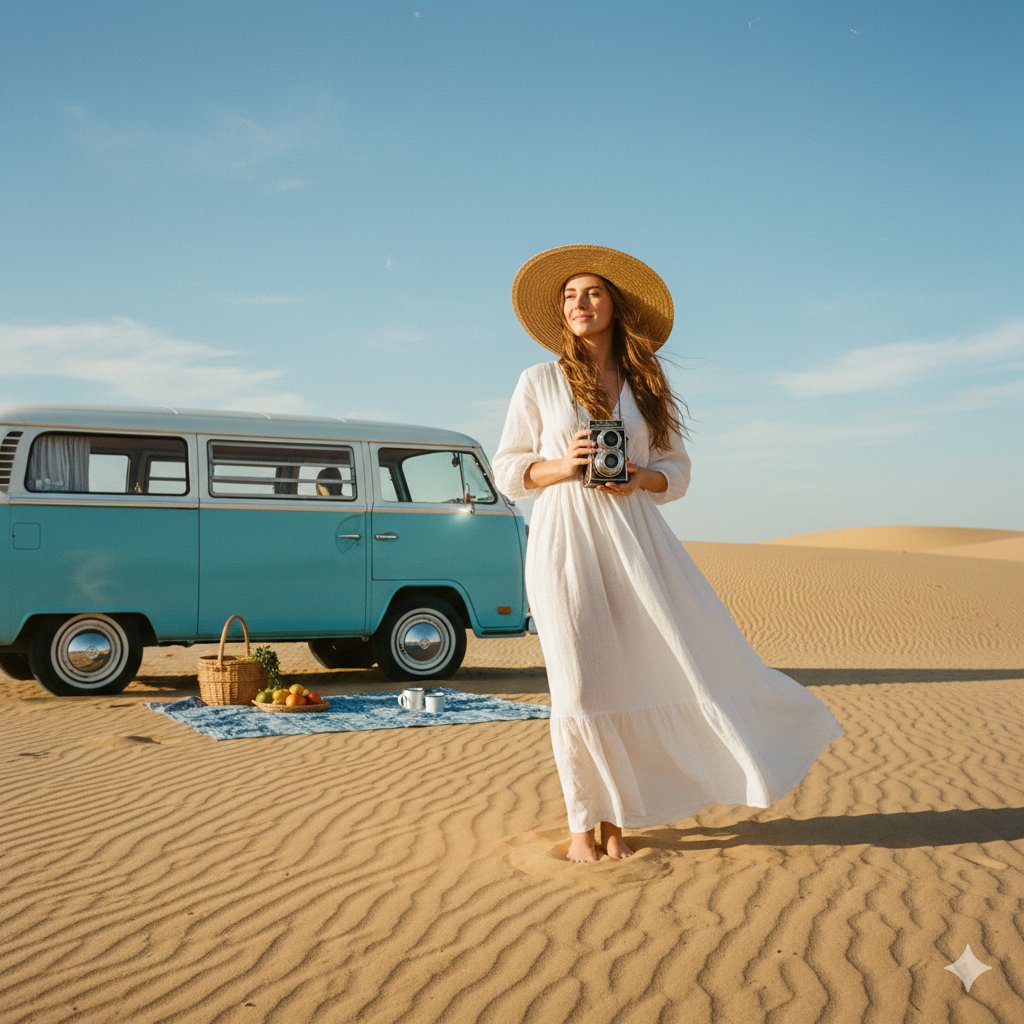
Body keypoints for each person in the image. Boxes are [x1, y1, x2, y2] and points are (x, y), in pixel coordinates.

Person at [492, 244, 843, 864]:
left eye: (592, 293)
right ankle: (583, 823)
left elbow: (676, 471)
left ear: (615, 305)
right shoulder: (537, 381)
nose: (580, 304)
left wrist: (638, 477)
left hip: (634, 538)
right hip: (565, 539)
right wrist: (561, 465)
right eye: (570, 296)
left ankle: (619, 819)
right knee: (576, 687)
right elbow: (508, 471)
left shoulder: (648, 385)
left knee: (636, 673)